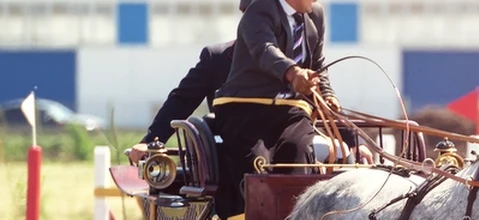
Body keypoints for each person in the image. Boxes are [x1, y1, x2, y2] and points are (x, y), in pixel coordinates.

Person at [213, 0, 340, 197]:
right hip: (246, 110)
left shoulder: (316, 14)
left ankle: (295, 219)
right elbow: (265, 49)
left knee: (299, 153)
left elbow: (318, 64)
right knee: (258, 166)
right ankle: (258, 219)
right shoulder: (259, 9)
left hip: (291, 111)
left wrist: (328, 94)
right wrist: (293, 73)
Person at [127, 0, 252, 164]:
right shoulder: (217, 58)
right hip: (229, 159)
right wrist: (150, 141)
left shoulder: (294, 61)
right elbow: (181, 101)